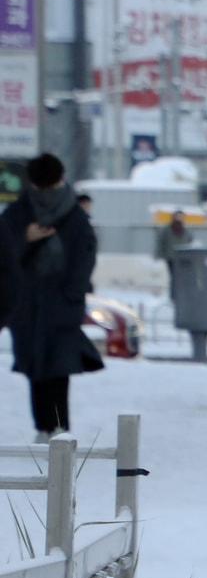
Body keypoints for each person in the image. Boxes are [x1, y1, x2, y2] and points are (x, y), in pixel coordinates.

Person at [1, 153, 102, 442]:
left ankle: (57, 426)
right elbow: (4, 256)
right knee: (35, 365)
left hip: (59, 302)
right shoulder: (18, 214)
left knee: (58, 364)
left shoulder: (73, 215)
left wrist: (72, 292)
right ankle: (44, 427)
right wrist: (26, 239)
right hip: (28, 303)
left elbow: (84, 257)